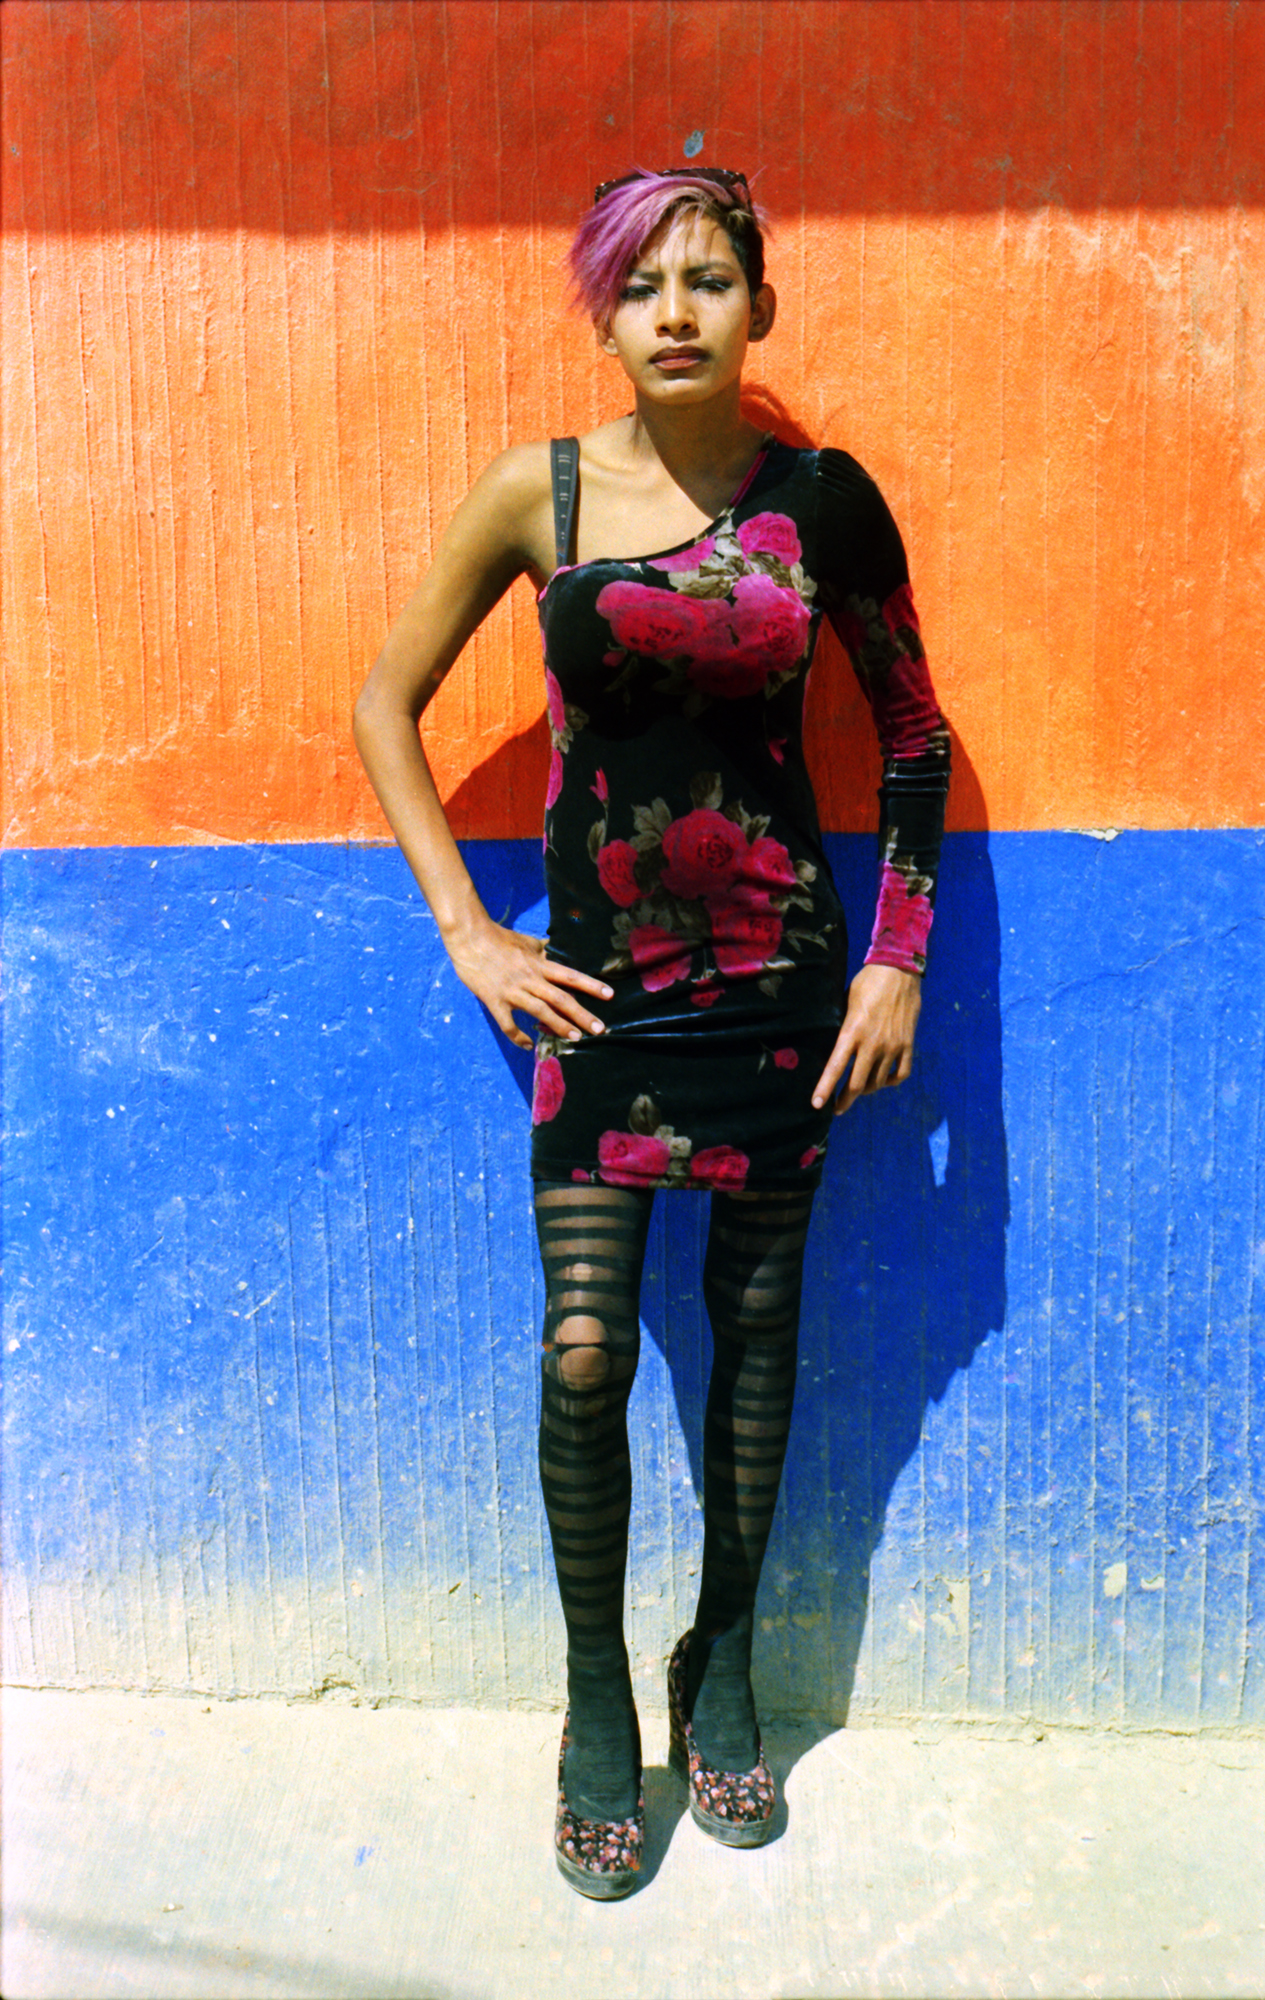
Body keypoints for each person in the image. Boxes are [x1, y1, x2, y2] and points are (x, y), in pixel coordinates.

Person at [353, 166, 950, 1899]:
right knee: (584, 1356)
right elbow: (384, 702)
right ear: (604, 314)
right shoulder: (534, 494)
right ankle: (595, 1696)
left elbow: (912, 732)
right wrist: (471, 932)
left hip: (782, 999)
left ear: (761, 304)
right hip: (602, 1005)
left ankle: (727, 1663)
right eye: (640, 285)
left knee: (756, 1342)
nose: (675, 311)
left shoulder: (824, 504)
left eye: (708, 279)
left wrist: (898, 959)